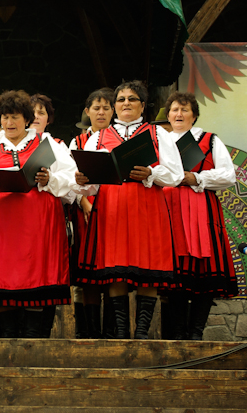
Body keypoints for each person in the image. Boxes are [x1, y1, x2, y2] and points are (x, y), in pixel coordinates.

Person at [74, 81, 183, 339]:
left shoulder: (158, 134)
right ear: (115, 106)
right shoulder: (97, 137)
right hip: (111, 206)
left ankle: (142, 333)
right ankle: (122, 333)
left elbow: (176, 174)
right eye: (121, 99)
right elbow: (89, 185)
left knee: (149, 266)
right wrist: (82, 180)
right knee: (116, 268)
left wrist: (151, 173)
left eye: (132, 99)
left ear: (142, 106)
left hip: (148, 205)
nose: (126, 103)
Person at [0, 90, 75, 338]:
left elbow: (71, 182)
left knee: (36, 281)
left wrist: (49, 179)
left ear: (26, 119)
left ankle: (32, 341)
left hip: (37, 228)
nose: (9, 122)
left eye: (14, 117)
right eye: (4, 117)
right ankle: (8, 341)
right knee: (3, 283)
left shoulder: (47, 144)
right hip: (1, 229)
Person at [162, 91, 238, 339]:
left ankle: (196, 333)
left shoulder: (209, 140)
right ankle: (177, 334)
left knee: (204, 269)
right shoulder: (160, 141)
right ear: (168, 115)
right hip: (169, 210)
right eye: (174, 110)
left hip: (202, 209)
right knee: (174, 272)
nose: (179, 114)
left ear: (194, 116)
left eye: (184, 110)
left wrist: (196, 177)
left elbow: (228, 175)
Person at [68, 88, 114, 339]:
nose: (101, 112)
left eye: (106, 108)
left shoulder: (119, 139)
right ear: (88, 112)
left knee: (112, 267)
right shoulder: (78, 142)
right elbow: (70, 177)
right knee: (88, 272)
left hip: (113, 208)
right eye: (96, 108)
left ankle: (112, 330)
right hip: (85, 211)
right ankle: (89, 331)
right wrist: (83, 201)